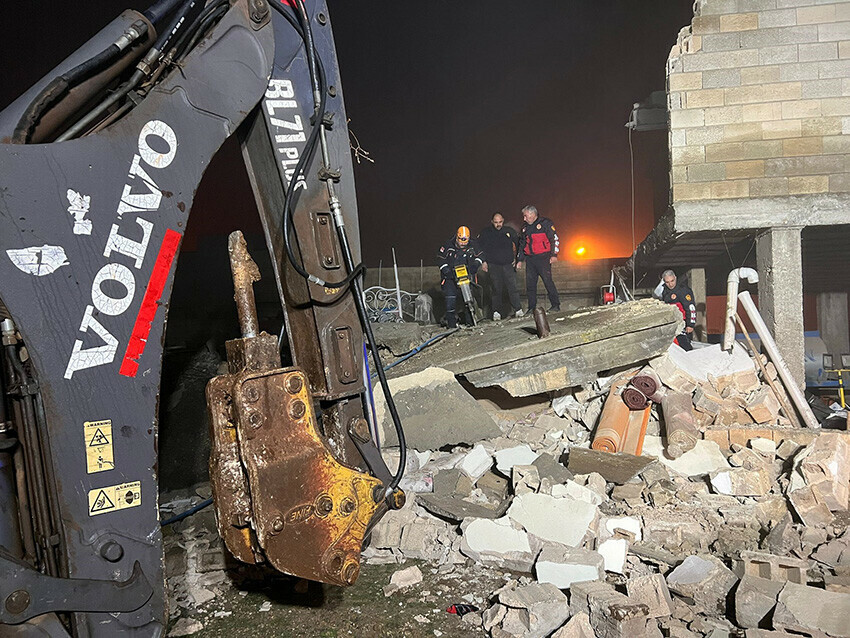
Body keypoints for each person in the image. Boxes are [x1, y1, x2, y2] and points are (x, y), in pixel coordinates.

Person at [477, 212, 523, 320]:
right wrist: (483, 261)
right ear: (492, 222)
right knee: (496, 289)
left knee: (512, 288)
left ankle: (518, 309)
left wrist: (517, 259)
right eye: (496, 222)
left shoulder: (509, 231)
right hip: (493, 265)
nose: (498, 224)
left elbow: (519, 243)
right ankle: (496, 312)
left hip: (508, 265)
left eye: (500, 222)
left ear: (503, 220)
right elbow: (479, 248)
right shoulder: (486, 233)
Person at [516, 204, 560, 312]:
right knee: (530, 285)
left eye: (526, 216)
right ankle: (531, 308)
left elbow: (554, 239)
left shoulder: (546, 224)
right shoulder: (524, 227)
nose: (524, 218)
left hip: (544, 258)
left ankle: (555, 305)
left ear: (532, 214)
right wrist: (519, 259)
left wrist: (554, 255)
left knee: (548, 282)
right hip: (530, 259)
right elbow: (522, 244)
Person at [438, 226, 484, 328]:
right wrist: (447, 271)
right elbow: (440, 259)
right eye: (461, 241)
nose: (463, 243)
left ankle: (470, 323)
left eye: (465, 241)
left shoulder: (473, 244)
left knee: (468, 301)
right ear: (457, 238)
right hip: (450, 278)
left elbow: (481, 256)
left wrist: (475, 265)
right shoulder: (448, 245)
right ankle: (451, 325)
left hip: (466, 276)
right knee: (450, 300)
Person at [653, 269, 697, 351]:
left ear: (675, 278)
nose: (670, 284)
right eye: (667, 282)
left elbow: (691, 308)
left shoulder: (683, 290)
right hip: (670, 323)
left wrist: (690, 324)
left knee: (684, 344)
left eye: (672, 281)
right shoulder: (664, 291)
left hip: (682, 323)